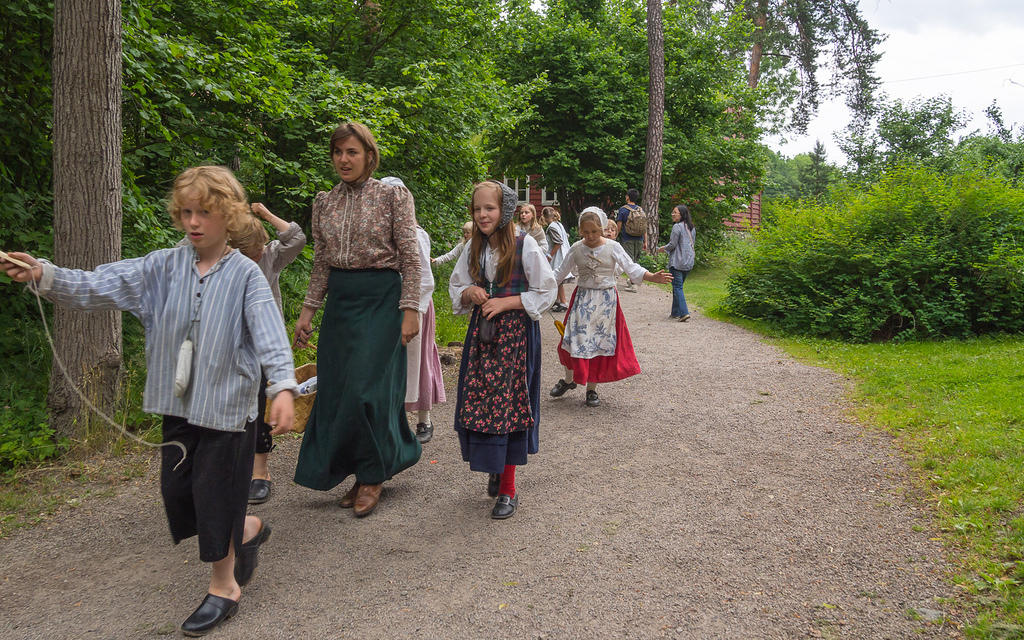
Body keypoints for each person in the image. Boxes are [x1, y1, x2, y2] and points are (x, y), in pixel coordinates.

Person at [1, 165, 297, 636]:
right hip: (177, 404)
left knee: (214, 493)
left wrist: (281, 385)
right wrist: (43, 273)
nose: (194, 221)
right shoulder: (160, 266)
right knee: (180, 494)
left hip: (228, 411)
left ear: (230, 215)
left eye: (205, 212)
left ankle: (224, 586)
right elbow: (99, 284)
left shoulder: (246, 275)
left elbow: (270, 336)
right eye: (186, 212)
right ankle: (244, 530)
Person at [292, 121, 422, 518]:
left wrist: (410, 309)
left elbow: (410, 256)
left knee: (368, 390)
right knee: (338, 392)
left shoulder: (391, 195)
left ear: (369, 154)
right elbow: (321, 263)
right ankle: (360, 470)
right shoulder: (324, 202)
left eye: (352, 152)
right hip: (341, 304)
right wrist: (307, 312)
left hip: (381, 299)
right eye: (338, 152)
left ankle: (373, 475)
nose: (344, 159)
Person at [449, 180, 555, 519]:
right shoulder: (473, 249)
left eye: (489, 208)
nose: (482, 215)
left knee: (510, 406)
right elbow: (457, 284)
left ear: (505, 211)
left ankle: (508, 488)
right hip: (484, 339)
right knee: (482, 402)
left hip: (516, 340)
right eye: (477, 209)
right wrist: (470, 294)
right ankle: (495, 467)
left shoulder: (526, 247)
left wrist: (508, 301)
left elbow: (547, 289)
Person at [550, 207, 672, 407]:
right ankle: (569, 380)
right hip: (582, 300)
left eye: (594, 232)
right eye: (586, 232)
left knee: (598, 344)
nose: (590, 236)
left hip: (605, 302)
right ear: (580, 230)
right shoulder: (576, 248)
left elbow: (631, 268)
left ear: (602, 229)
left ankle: (591, 390)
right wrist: (536, 285)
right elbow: (559, 274)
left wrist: (652, 277)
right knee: (572, 341)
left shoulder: (613, 247)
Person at [231, 202, 307, 505]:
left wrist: (265, 214)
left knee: (258, 406)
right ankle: (228, 469)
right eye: (253, 251)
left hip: (263, 343)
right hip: (230, 346)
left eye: (262, 247)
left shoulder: (270, 256)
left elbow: (296, 239)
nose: (260, 254)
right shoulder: (221, 259)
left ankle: (260, 473)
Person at [380, 176, 446, 444]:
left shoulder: (415, 234)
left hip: (415, 305)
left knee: (417, 360)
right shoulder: (381, 234)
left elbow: (424, 276)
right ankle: (393, 421)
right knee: (392, 363)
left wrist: (414, 309)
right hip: (389, 306)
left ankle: (424, 420)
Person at [656, 204, 696, 322]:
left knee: (678, 287)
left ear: (681, 215)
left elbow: (672, 245)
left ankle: (684, 313)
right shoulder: (692, 228)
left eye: (675, 212)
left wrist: (663, 248)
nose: (672, 214)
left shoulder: (677, 227)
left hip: (677, 262)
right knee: (677, 287)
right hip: (688, 262)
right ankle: (675, 312)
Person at [615, 188, 648, 292]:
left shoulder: (623, 210)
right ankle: (632, 281)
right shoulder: (640, 210)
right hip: (639, 239)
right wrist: (645, 241)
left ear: (628, 197)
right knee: (635, 261)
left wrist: (614, 237)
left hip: (627, 239)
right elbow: (644, 228)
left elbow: (618, 226)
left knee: (628, 261)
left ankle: (633, 284)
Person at [541, 206, 570, 312]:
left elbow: (558, 242)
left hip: (557, 256)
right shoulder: (558, 224)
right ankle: (558, 300)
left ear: (544, 217)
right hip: (561, 254)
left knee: (557, 279)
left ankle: (563, 302)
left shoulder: (552, 227)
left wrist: (549, 255)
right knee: (557, 279)